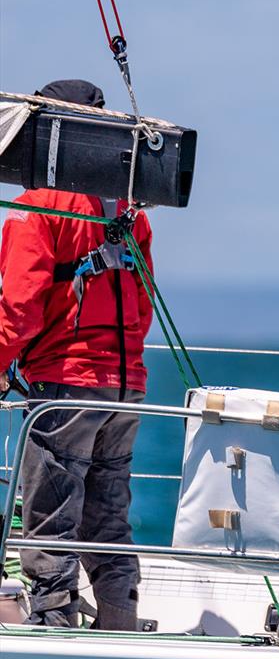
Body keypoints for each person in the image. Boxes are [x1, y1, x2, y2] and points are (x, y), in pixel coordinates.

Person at [0, 79, 154, 629]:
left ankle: (54, 631)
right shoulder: (130, 212)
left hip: (65, 385)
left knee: (49, 519)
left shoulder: (35, 205)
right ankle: (120, 623)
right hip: (125, 387)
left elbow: (18, 305)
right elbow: (144, 302)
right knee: (108, 518)